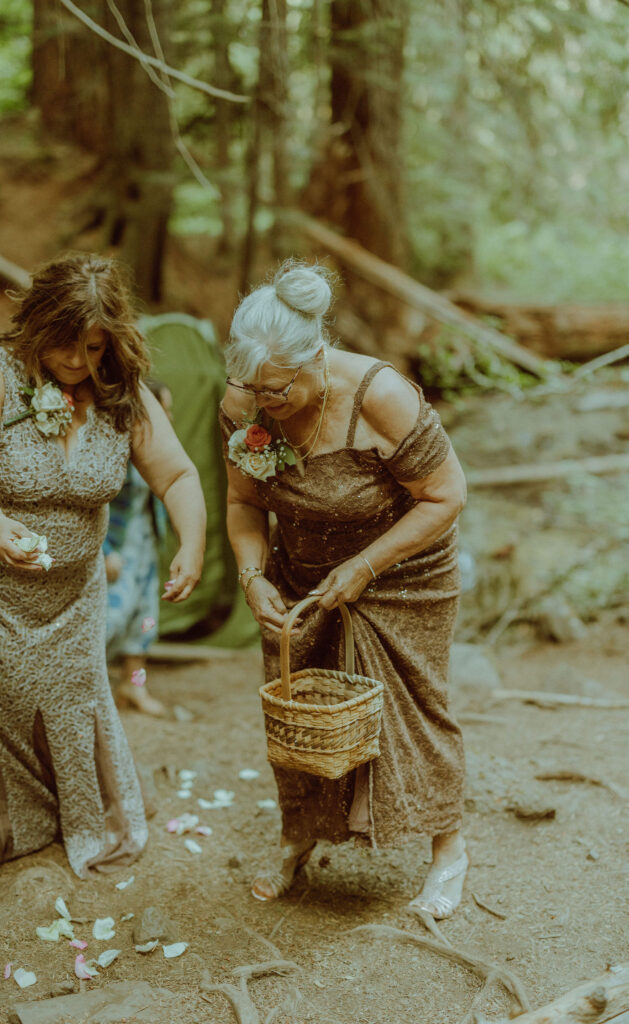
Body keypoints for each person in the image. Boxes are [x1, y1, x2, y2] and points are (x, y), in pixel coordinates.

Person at [0, 253, 206, 903]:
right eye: (64, 343)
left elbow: (176, 475)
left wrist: (192, 542)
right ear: (37, 324)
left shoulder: (122, 392)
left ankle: (50, 812)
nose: (76, 361)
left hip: (69, 606)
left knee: (63, 708)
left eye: (92, 346)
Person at [220, 261, 468, 919]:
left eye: (276, 390)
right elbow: (243, 504)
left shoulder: (379, 396)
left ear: (315, 361)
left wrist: (365, 566)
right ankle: (299, 835)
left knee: (414, 709)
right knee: (299, 712)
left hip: (401, 575)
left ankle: (447, 849)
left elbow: (446, 495)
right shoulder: (245, 403)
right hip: (300, 577)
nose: (260, 404)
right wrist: (251, 575)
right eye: (250, 388)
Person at [104, 380, 172, 717]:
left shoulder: (157, 454)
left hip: (144, 547)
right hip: (118, 548)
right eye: (164, 410)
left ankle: (134, 683)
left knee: (144, 622)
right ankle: (94, 690)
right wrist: (102, 550)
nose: (170, 416)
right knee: (110, 619)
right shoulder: (113, 454)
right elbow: (91, 507)